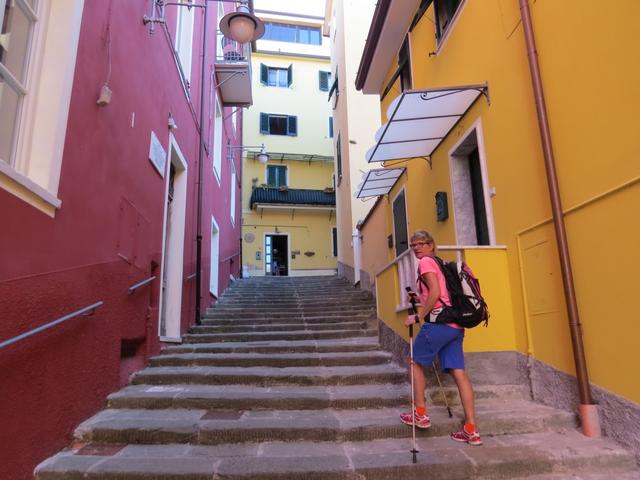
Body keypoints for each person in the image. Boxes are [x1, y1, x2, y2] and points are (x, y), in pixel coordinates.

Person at [400, 229, 482, 446]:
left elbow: (435, 292)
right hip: (456, 325)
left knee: (414, 362)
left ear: (431, 245)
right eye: (413, 245)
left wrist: (418, 316)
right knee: (459, 372)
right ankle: (471, 429)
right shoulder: (440, 263)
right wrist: (419, 297)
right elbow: (439, 293)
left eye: (421, 243)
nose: (416, 248)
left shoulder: (426, 262)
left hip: (439, 324)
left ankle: (420, 414)